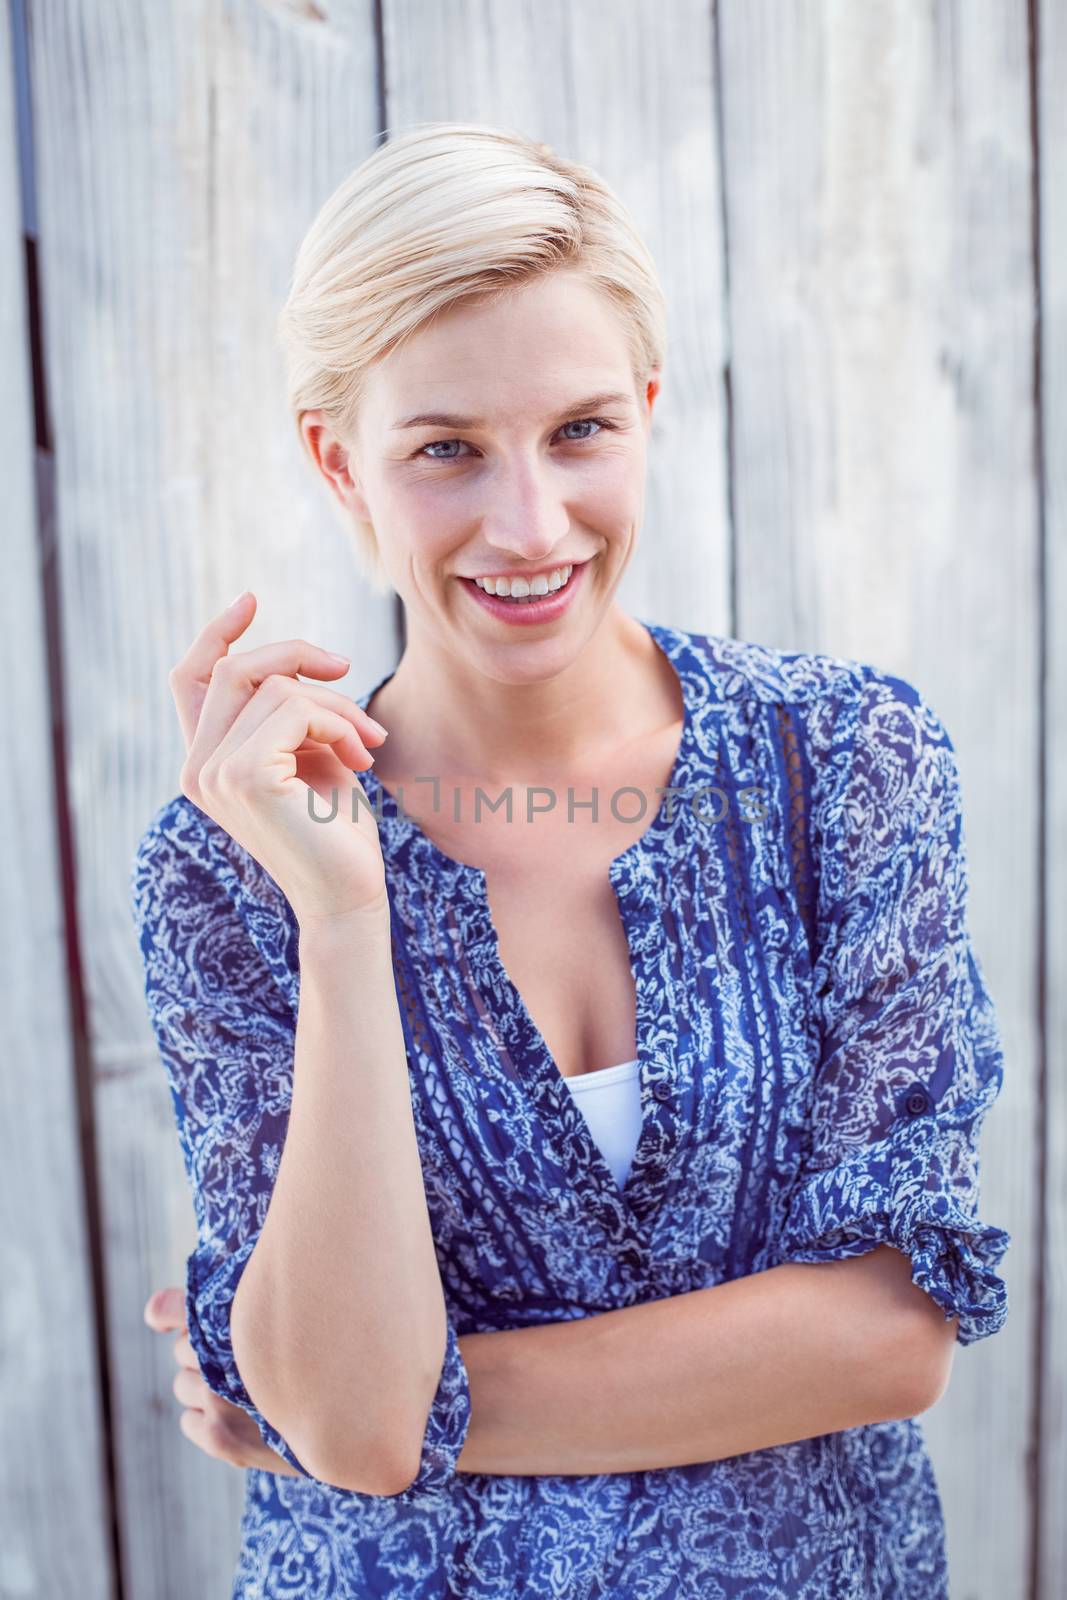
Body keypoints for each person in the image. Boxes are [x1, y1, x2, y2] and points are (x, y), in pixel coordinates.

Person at [130, 121, 1011, 1599]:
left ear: (651, 409)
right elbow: (343, 1415)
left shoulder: (845, 763)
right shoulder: (231, 864)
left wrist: (391, 1411)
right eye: (446, 450)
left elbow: (892, 1333)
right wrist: (345, 919)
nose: (529, 524)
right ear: (337, 462)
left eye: (581, 431)